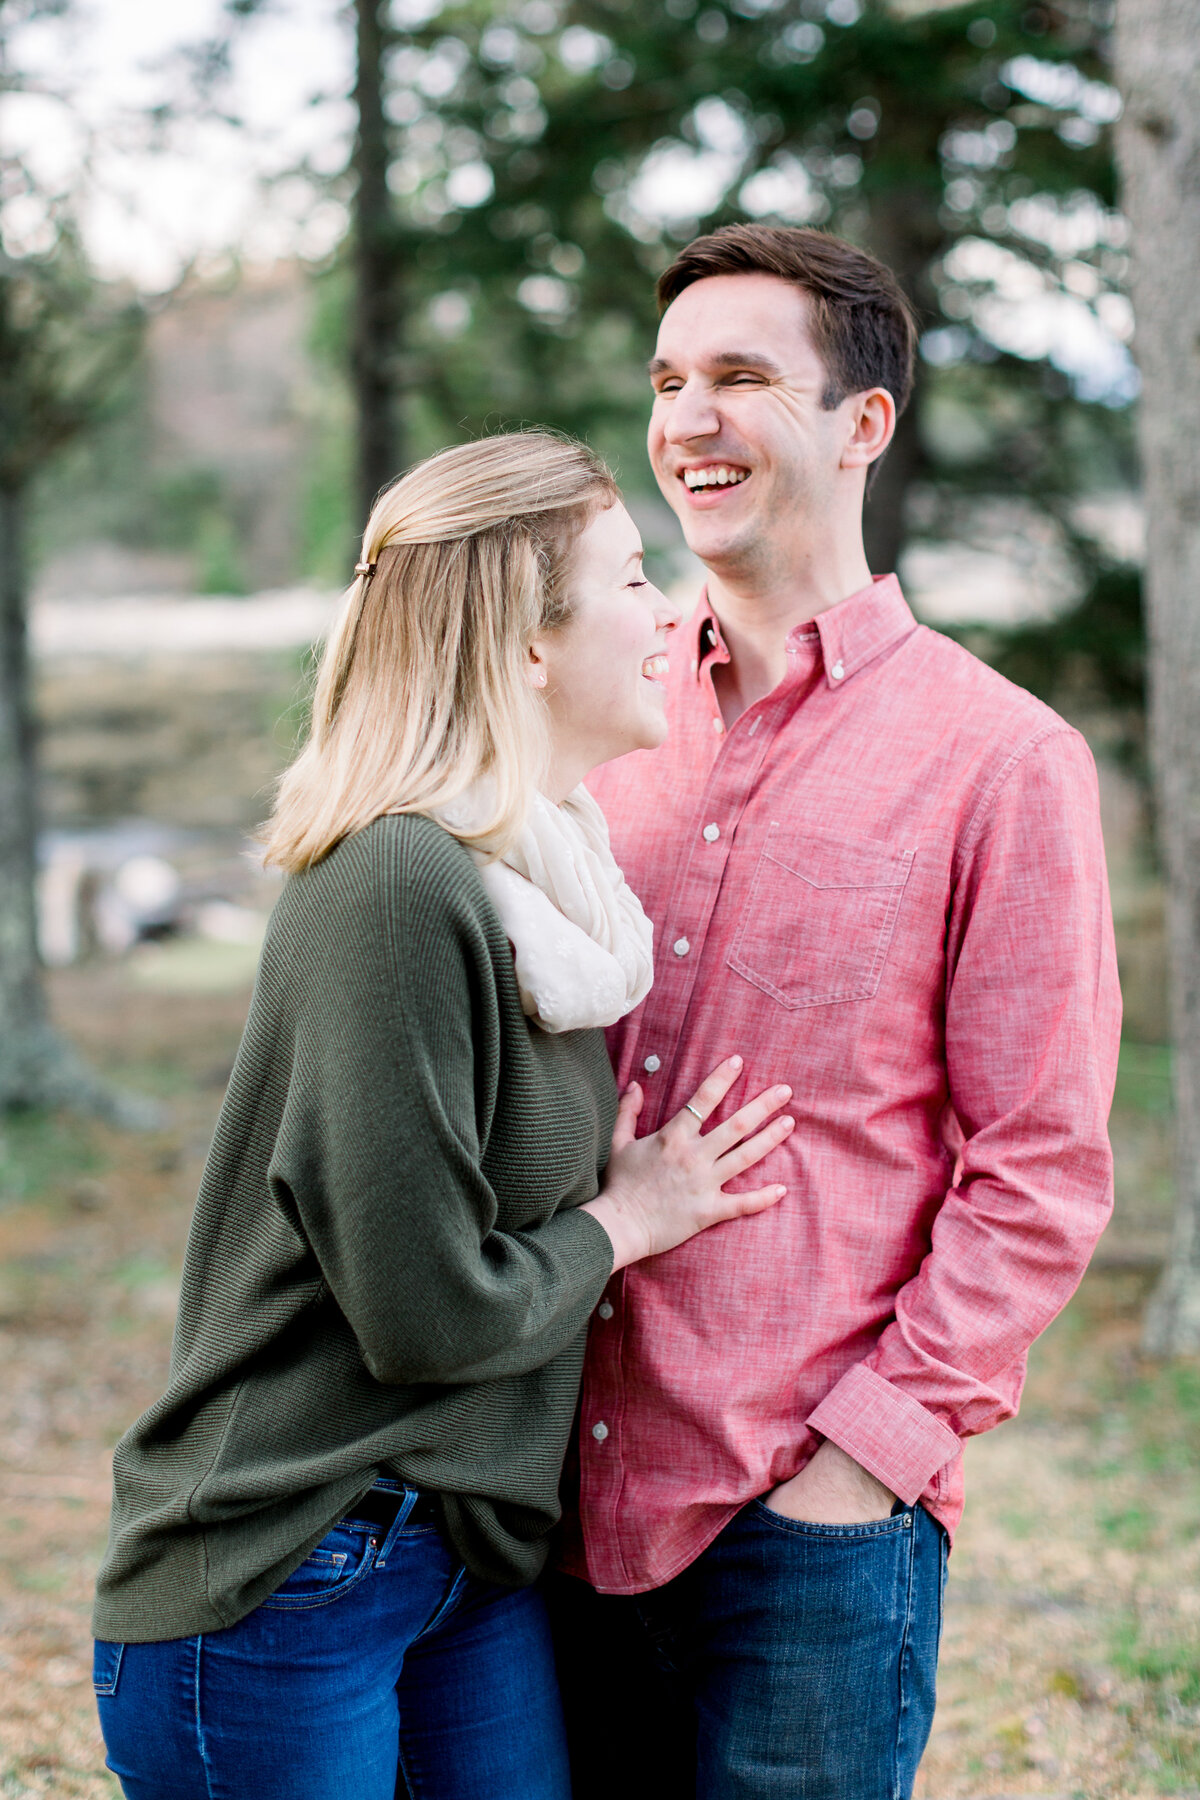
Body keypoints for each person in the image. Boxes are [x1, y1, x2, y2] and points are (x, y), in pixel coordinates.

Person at [90, 431, 797, 1800]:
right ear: (524, 643)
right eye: (631, 577)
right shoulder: (400, 884)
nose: (672, 611)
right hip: (288, 1567)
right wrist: (626, 1219)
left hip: (459, 1560)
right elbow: (423, 1311)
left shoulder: (538, 880)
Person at [548, 225, 1122, 1800]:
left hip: (802, 1528)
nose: (687, 419)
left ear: (863, 424)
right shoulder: (585, 707)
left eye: (743, 378)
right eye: (668, 380)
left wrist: (866, 1457)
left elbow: (1042, 1170)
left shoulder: (1001, 762)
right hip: (528, 1495)